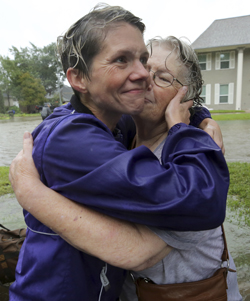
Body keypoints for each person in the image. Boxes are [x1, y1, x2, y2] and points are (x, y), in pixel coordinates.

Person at [9, 4, 229, 301]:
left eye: (144, 61)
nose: (144, 76)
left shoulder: (116, 124)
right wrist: (30, 193)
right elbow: (197, 200)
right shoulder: (73, 140)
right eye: (121, 60)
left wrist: (199, 115)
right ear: (78, 80)